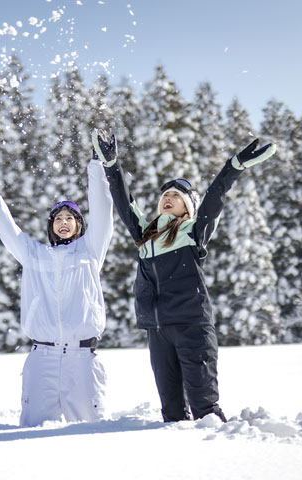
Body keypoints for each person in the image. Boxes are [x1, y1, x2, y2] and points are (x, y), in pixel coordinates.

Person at [95, 133, 276, 423]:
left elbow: (214, 197)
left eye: (176, 196)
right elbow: (124, 202)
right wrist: (112, 165)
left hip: (192, 326)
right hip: (158, 330)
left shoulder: (193, 231)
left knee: (205, 409)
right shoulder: (146, 234)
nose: (168, 198)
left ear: (187, 208)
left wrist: (234, 166)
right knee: (173, 414)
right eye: (165, 195)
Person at [0, 132, 115, 427]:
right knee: (30, 433)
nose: (64, 222)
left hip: (82, 358)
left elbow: (104, 211)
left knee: (92, 431)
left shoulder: (90, 250)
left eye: (70, 218)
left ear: (79, 226)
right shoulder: (33, 254)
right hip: (42, 357)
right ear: (51, 227)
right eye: (58, 218)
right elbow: (6, 228)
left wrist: (97, 165)